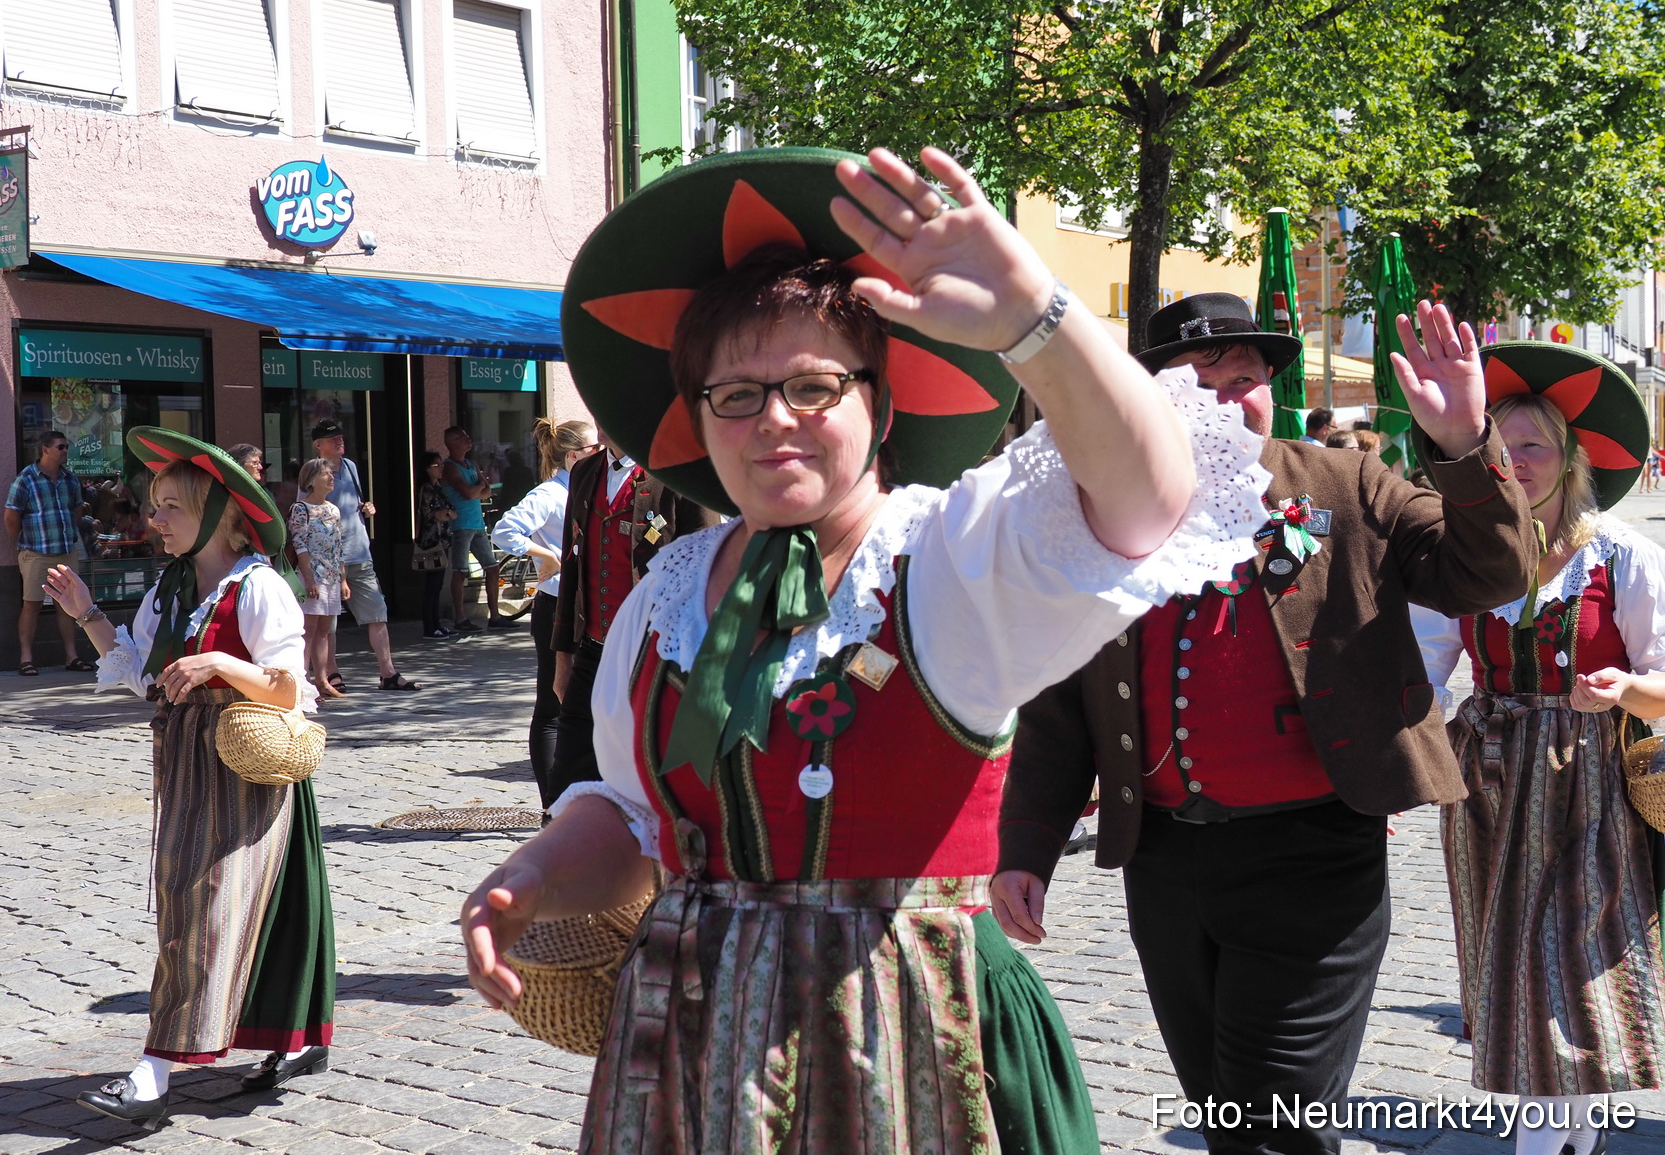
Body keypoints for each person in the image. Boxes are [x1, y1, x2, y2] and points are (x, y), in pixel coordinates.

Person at [461, 145, 1273, 1154]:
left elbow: (1148, 497)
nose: (774, 424)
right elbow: (635, 821)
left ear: (879, 405)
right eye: (737, 395)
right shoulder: (664, 597)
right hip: (696, 1046)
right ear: (699, 420)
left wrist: (1036, 316)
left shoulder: (945, 557)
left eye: (813, 386)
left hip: (916, 1030)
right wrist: (531, 879)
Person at [995, 291, 1538, 1155]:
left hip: (1314, 856)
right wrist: (1026, 845)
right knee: (1226, 1111)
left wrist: (1467, 446)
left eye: (1244, 377)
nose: (1226, 396)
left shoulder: (1347, 485)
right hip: (1165, 860)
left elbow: (1490, 572)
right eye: (1196, 378)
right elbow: (1061, 699)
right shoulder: (1104, 515)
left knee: (1269, 1114)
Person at [1411, 342, 1665, 1155]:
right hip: (1490, 779)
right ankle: (1560, 1130)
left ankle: (1558, 1135)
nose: (1514, 462)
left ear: (1570, 464)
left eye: (1534, 447)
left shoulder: (1619, 555)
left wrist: (1623, 687)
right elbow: (1420, 673)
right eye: (1501, 445)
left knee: (1580, 956)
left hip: (1595, 782)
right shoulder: (1463, 557)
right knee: (1513, 957)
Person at [43, 427, 334, 1130]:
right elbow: (139, 670)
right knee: (214, 907)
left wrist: (220, 666)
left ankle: (152, 1074)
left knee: (203, 912)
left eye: (171, 505)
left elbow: (293, 691)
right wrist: (87, 614)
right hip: (185, 768)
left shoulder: (260, 584)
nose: (155, 519)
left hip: (247, 773)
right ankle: (289, 1035)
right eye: (155, 504)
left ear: (216, 512)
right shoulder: (171, 589)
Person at [547, 434, 717, 801]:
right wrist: (563, 658)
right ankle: (567, 845)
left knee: (652, 778)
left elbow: (708, 570)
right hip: (593, 650)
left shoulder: (680, 473)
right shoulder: (584, 471)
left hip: (657, 654)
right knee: (569, 772)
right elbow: (572, 566)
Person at [491, 418, 600, 811]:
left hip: (584, 605)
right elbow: (504, 531)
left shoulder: (589, 488)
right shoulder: (550, 494)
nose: (601, 454)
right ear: (573, 456)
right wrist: (546, 554)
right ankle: (551, 805)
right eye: (593, 449)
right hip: (555, 603)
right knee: (552, 703)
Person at [310, 421, 420, 691]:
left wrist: (365, 507)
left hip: (360, 551)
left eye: (340, 437)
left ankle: (388, 673)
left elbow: (352, 504)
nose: (339, 442)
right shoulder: (313, 472)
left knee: (377, 613)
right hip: (329, 559)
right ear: (318, 445)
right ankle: (330, 674)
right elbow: (310, 512)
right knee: (328, 622)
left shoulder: (350, 467)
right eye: (332, 439)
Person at [3, 430, 94, 675]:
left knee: (67, 606)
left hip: (65, 551)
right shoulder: (26, 479)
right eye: (61, 447)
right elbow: (11, 516)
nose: (66, 451)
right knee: (31, 604)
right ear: (45, 450)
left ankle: (71, 656)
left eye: (67, 447)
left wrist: (70, 534)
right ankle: (26, 659)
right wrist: (25, 542)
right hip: (36, 552)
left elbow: (76, 510)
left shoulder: (70, 479)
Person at [440, 426, 512, 632]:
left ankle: (495, 616)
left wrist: (477, 488)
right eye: (461, 437)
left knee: (492, 567)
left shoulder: (471, 463)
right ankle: (460, 618)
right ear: (452, 443)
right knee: (460, 571)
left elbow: (486, 491)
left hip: (477, 524)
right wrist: (479, 487)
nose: (467, 439)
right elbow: (471, 492)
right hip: (460, 525)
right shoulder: (450, 467)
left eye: (466, 435)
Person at [290, 458, 349, 699]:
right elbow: (299, 543)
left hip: (331, 578)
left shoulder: (333, 509)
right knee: (308, 629)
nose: (331, 477)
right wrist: (309, 579)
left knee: (325, 628)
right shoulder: (300, 508)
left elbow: (338, 546)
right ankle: (301, 681)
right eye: (326, 474)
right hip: (310, 577)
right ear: (312, 480)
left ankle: (322, 680)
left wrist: (343, 580)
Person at [414, 451, 458, 640]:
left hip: (443, 541)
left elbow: (452, 512)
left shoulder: (438, 488)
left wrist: (446, 513)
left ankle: (437, 624)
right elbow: (435, 515)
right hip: (431, 543)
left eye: (441, 465)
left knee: (438, 585)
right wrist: (445, 513)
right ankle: (430, 626)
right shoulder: (426, 489)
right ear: (426, 469)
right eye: (436, 466)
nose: (441, 469)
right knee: (432, 585)